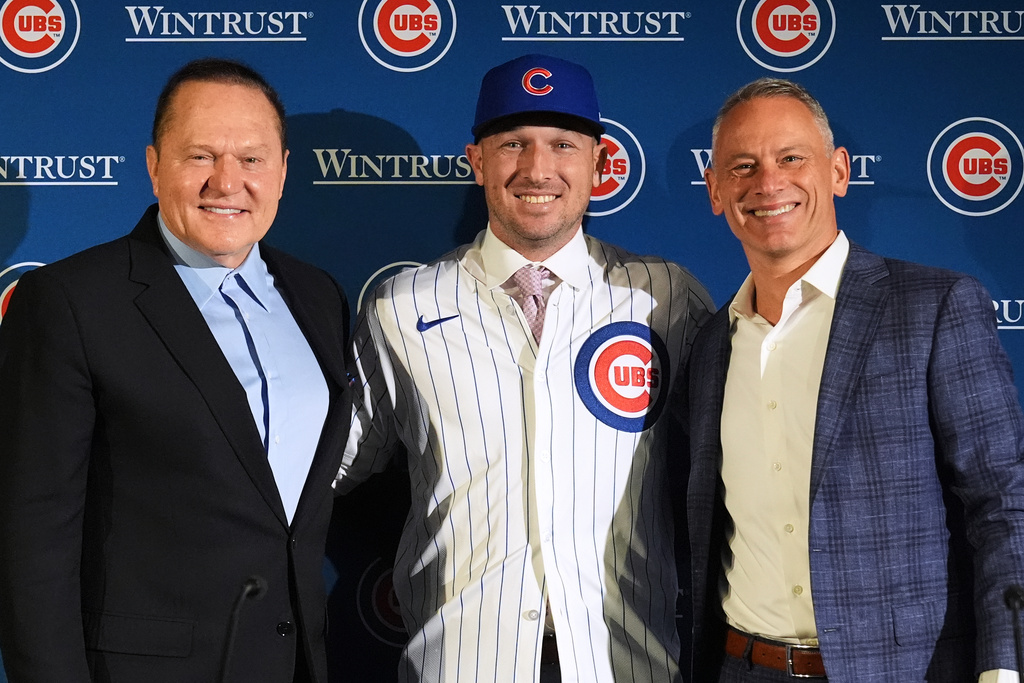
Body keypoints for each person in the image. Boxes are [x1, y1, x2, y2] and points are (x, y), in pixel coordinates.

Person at [337, 54, 712, 682]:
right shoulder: (402, 305)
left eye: (563, 145)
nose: (538, 169)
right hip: (461, 662)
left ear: (599, 163)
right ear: (477, 160)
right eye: (513, 144)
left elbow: (736, 456)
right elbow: (334, 465)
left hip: (624, 662)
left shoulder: (664, 295)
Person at [0, 58, 352, 683]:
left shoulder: (318, 296)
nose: (227, 181)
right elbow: (32, 537)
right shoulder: (71, 302)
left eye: (251, 158)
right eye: (200, 156)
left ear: (282, 171)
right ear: (154, 165)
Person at [688, 77, 1024, 682]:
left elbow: (1004, 502)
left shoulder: (934, 307)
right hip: (742, 667)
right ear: (715, 190)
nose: (768, 183)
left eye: (792, 158)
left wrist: (1005, 667)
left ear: (839, 171)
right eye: (743, 166)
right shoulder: (711, 344)